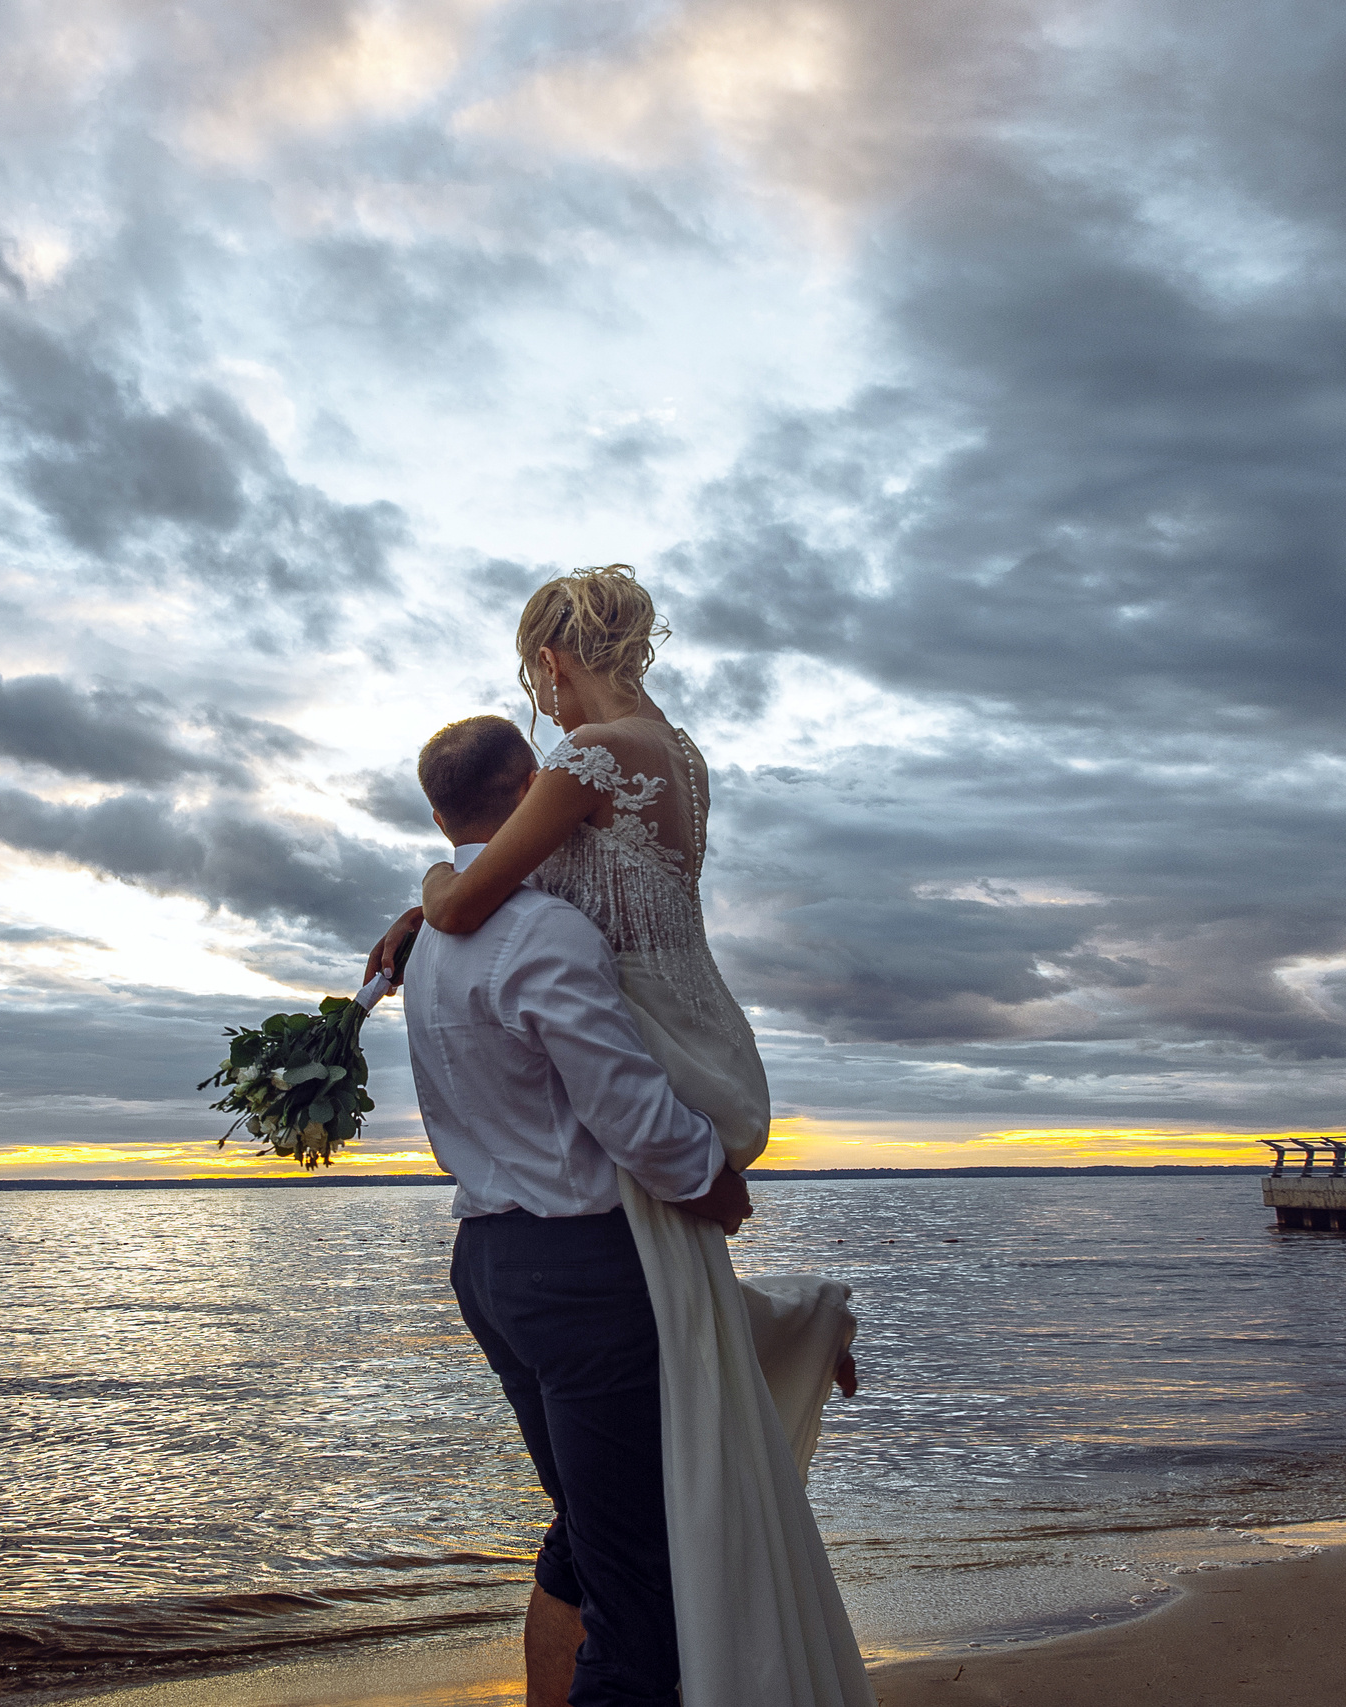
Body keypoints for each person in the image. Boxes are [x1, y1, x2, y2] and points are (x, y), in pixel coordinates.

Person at [373, 567, 871, 1707]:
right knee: (620, 1536)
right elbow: (521, 892)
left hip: (530, 1229)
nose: (541, 706)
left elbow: (467, 901)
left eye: (534, 678)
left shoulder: (593, 766)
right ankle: (795, 1328)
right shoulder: (666, 759)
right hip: (643, 1103)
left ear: (549, 662)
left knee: (625, 1563)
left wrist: (427, 898)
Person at [404, 712, 752, 1707]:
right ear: (527, 795)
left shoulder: (427, 942)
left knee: (589, 1528)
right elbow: (627, 1108)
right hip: (582, 1274)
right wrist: (711, 1184)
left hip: (487, 1268)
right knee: (639, 1583)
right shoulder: (547, 931)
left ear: (439, 815)